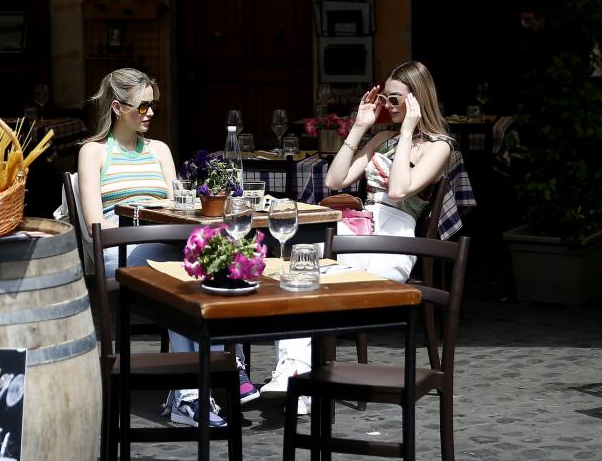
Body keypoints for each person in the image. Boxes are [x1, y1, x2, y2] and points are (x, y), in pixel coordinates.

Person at [261, 60, 453, 409]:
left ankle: (299, 377)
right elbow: (335, 181)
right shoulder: (381, 138)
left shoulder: (439, 147)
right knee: (296, 272)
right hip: (356, 229)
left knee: (311, 275)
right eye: (387, 99)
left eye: (397, 100)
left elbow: (398, 190)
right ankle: (292, 371)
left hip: (392, 240)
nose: (389, 107)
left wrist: (408, 133)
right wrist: (359, 127)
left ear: (418, 99)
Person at [77, 68, 239, 427]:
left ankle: (221, 374)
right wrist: (142, 226)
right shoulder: (94, 152)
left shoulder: (159, 150)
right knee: (182, 279)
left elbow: (178, 205)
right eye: (142, 107)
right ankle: (190, 394)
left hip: (163, 241)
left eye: (153, 106)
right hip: (118, 249)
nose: (150, 113)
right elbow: (95, 228)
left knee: (219, 268)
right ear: (118, 108)